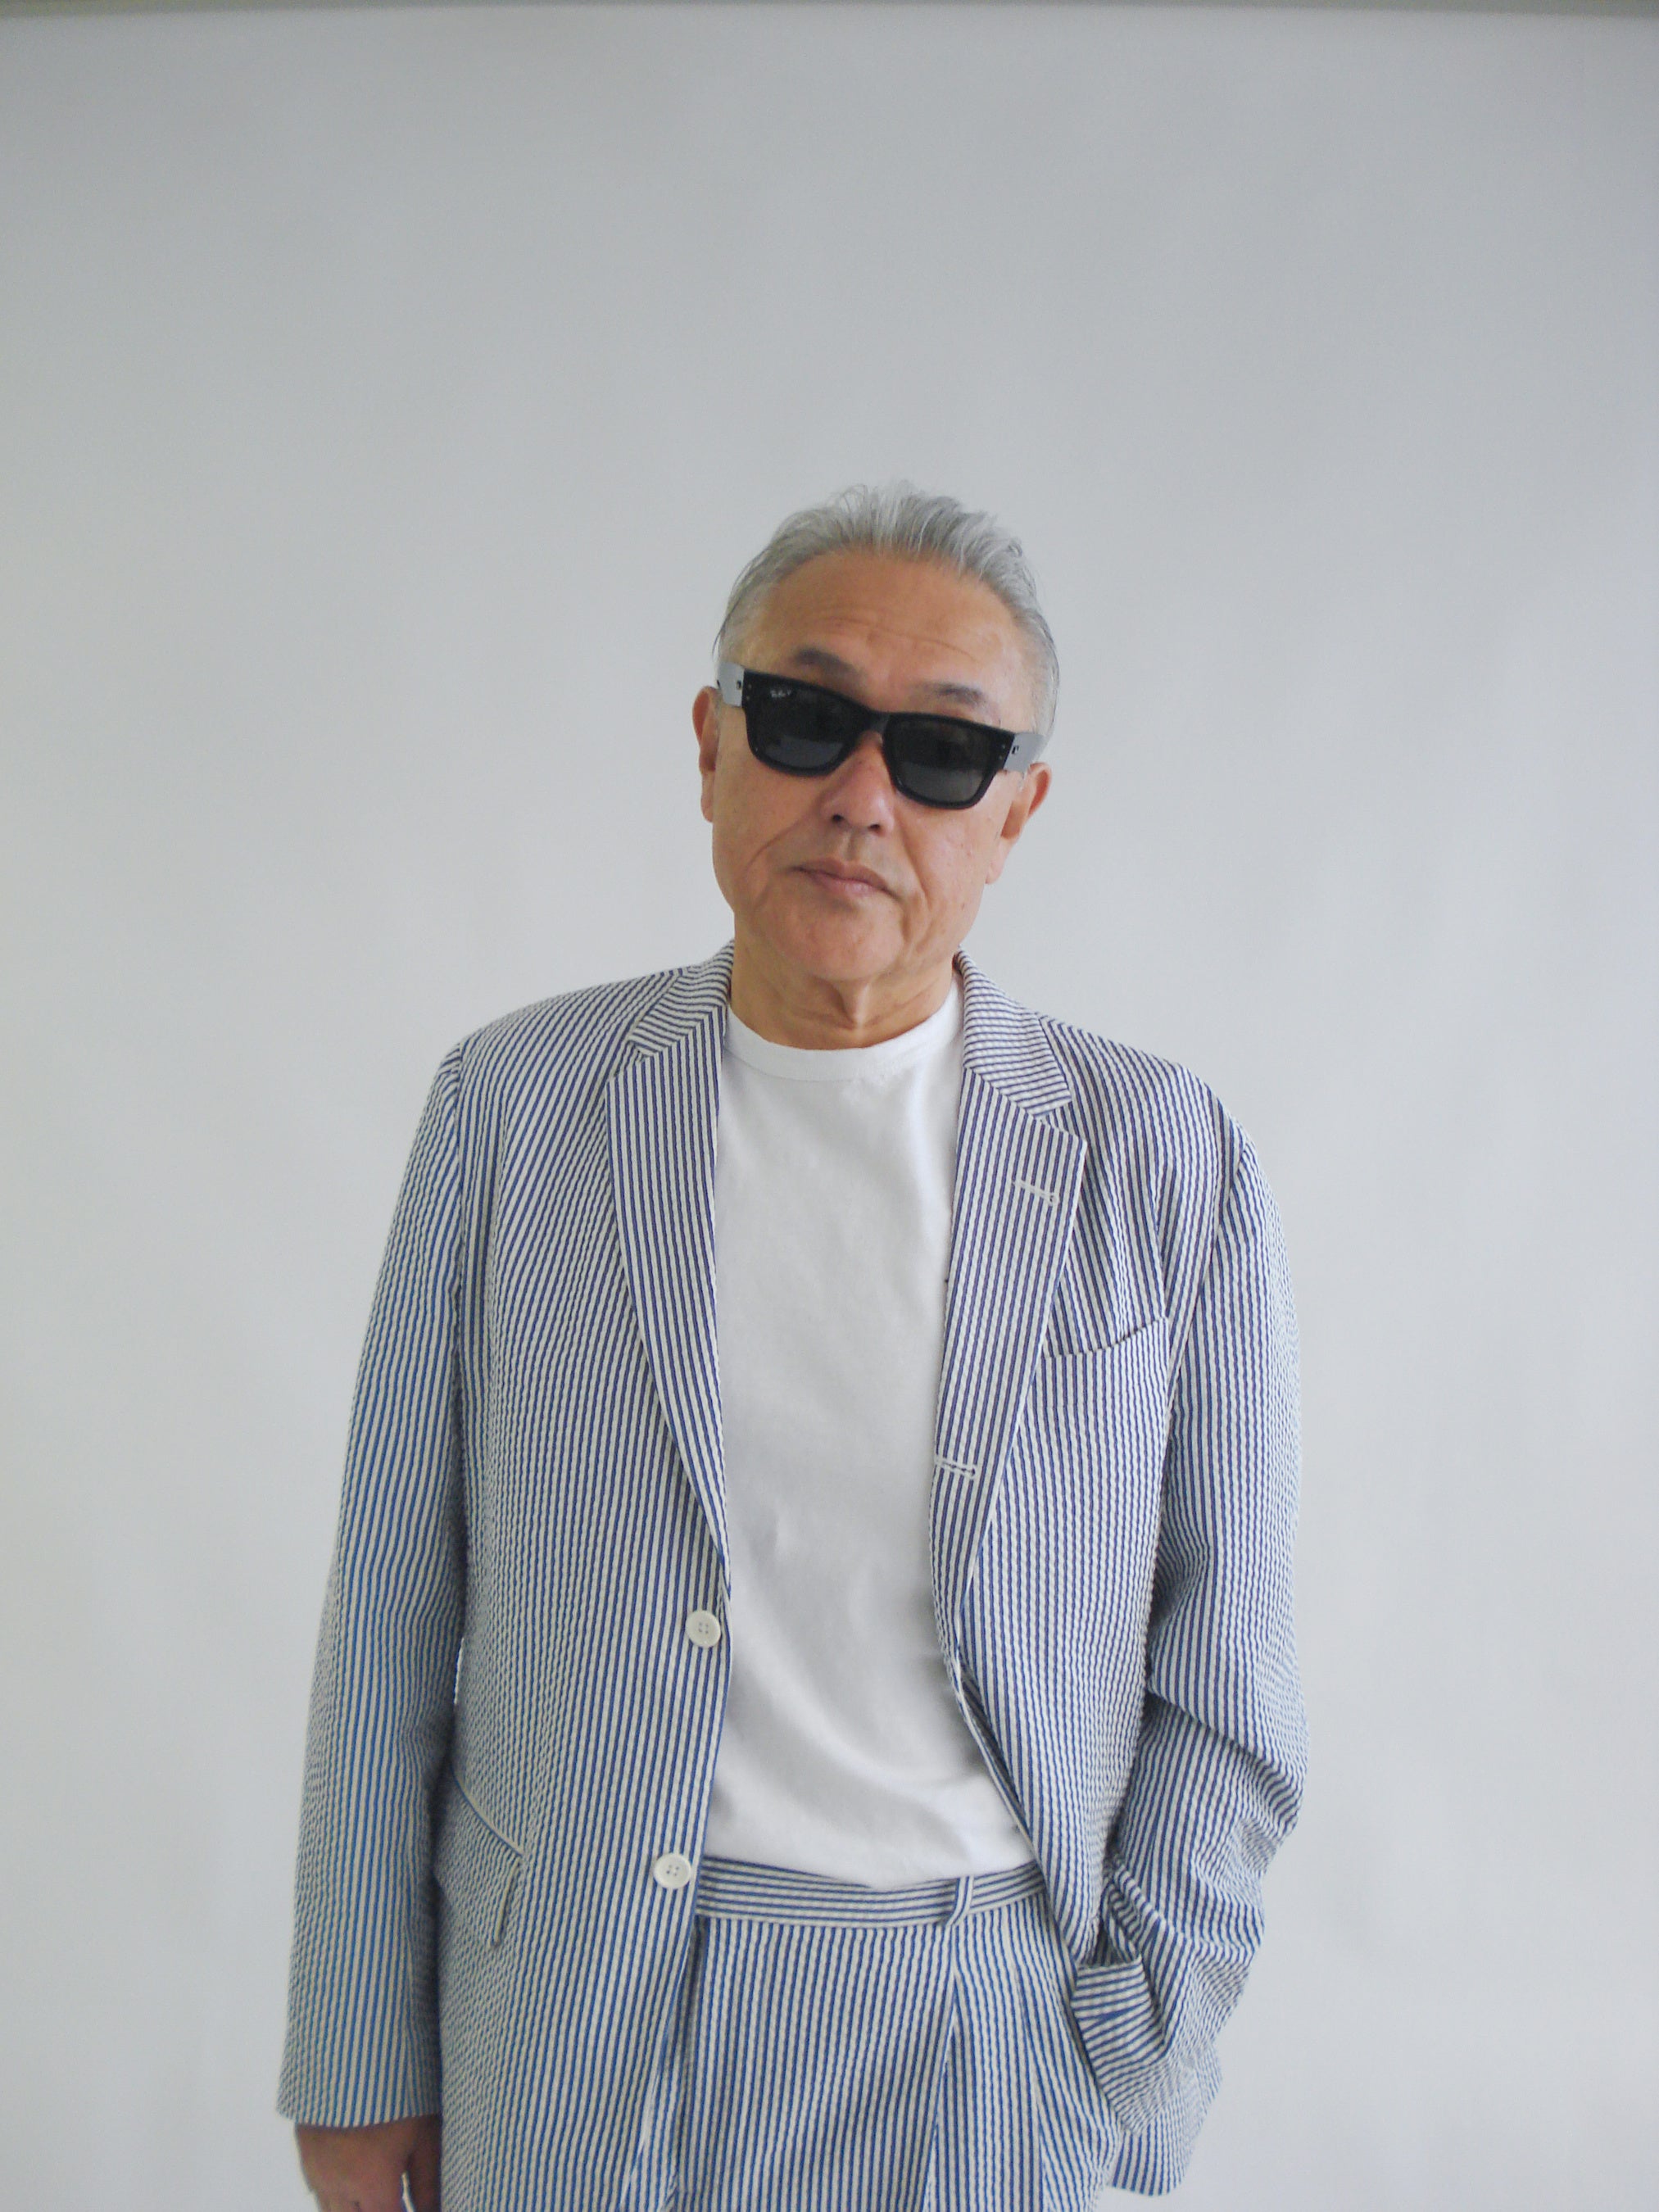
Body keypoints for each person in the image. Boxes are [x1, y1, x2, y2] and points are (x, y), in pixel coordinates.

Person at [278, 485, 1306, 2211]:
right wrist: (356, 2051)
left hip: (980, 2034)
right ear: (711, 742)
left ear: (1017, 809)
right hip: (573, 2011)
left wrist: (1126, 2043)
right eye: (806, 718)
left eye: (943, 754)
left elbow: (1229, 1669)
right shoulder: (514, 1110)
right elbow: (391, 1610)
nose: (861, 797)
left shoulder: (1161, 1157)